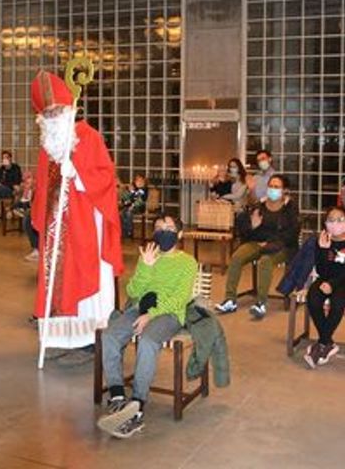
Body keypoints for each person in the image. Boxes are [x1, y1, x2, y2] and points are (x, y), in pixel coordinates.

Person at [31, 70, 124, 361]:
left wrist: (78, 176)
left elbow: (106, 178)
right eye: (47, 112)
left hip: (87, 225)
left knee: (89, 275)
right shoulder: (47, 147)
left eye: (57, 109)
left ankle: (94, 336)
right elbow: (42, 190)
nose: (53, 115)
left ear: (68, 107)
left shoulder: (88, 136)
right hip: (57, 230)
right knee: (59, 279)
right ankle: (66, 337)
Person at [97, 214, 197, 439]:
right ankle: (117, 396)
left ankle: (138, 405)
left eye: (169, 228)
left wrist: (150, 316)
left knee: (148, 341)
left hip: (169, 314)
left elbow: (180, 298)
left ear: (180, 234)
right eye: (159, 228)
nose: (163, 232)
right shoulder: (149, 255)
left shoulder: (187, 262)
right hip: (139, 309)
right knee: (110, 335)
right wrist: (147, 267)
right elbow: (133, 291)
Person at [216, 174, 299, 319]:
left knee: (265, 261)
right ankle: (230, 300)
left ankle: (261, 303)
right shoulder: (259, 206)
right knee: (237, 257)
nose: (272, 189)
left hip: (281, 246)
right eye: (270, 186)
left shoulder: (290, 208)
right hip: (257, 242)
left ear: (285, 190)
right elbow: (244, 233)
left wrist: (270, 242)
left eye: (276, 187)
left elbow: (292, 234)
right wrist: (253, 227)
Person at [303, 206, 345, 368]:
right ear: (325, 223)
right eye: (331, 220)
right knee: (313, 298)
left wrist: (332, 285)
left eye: (340, 219)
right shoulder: (322, 240)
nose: (336, 223)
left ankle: (321, 343)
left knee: (338, 302)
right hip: (325, 278)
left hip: (342, 282)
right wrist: (323, 249)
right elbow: (322, 271)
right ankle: (327, 342)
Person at [119, 174, 148, 239]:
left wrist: (133, 206)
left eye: (141, 181)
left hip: (139, 208)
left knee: (128, 212)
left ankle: (129, 231)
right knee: (122, 213)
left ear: (144, 182)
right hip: (128, 207)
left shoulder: (144, 190)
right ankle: (124, 231)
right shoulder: (133, 188)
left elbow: (141, 200)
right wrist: (129, 191)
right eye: (137, 180)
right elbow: (124, 198)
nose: (139, 182)